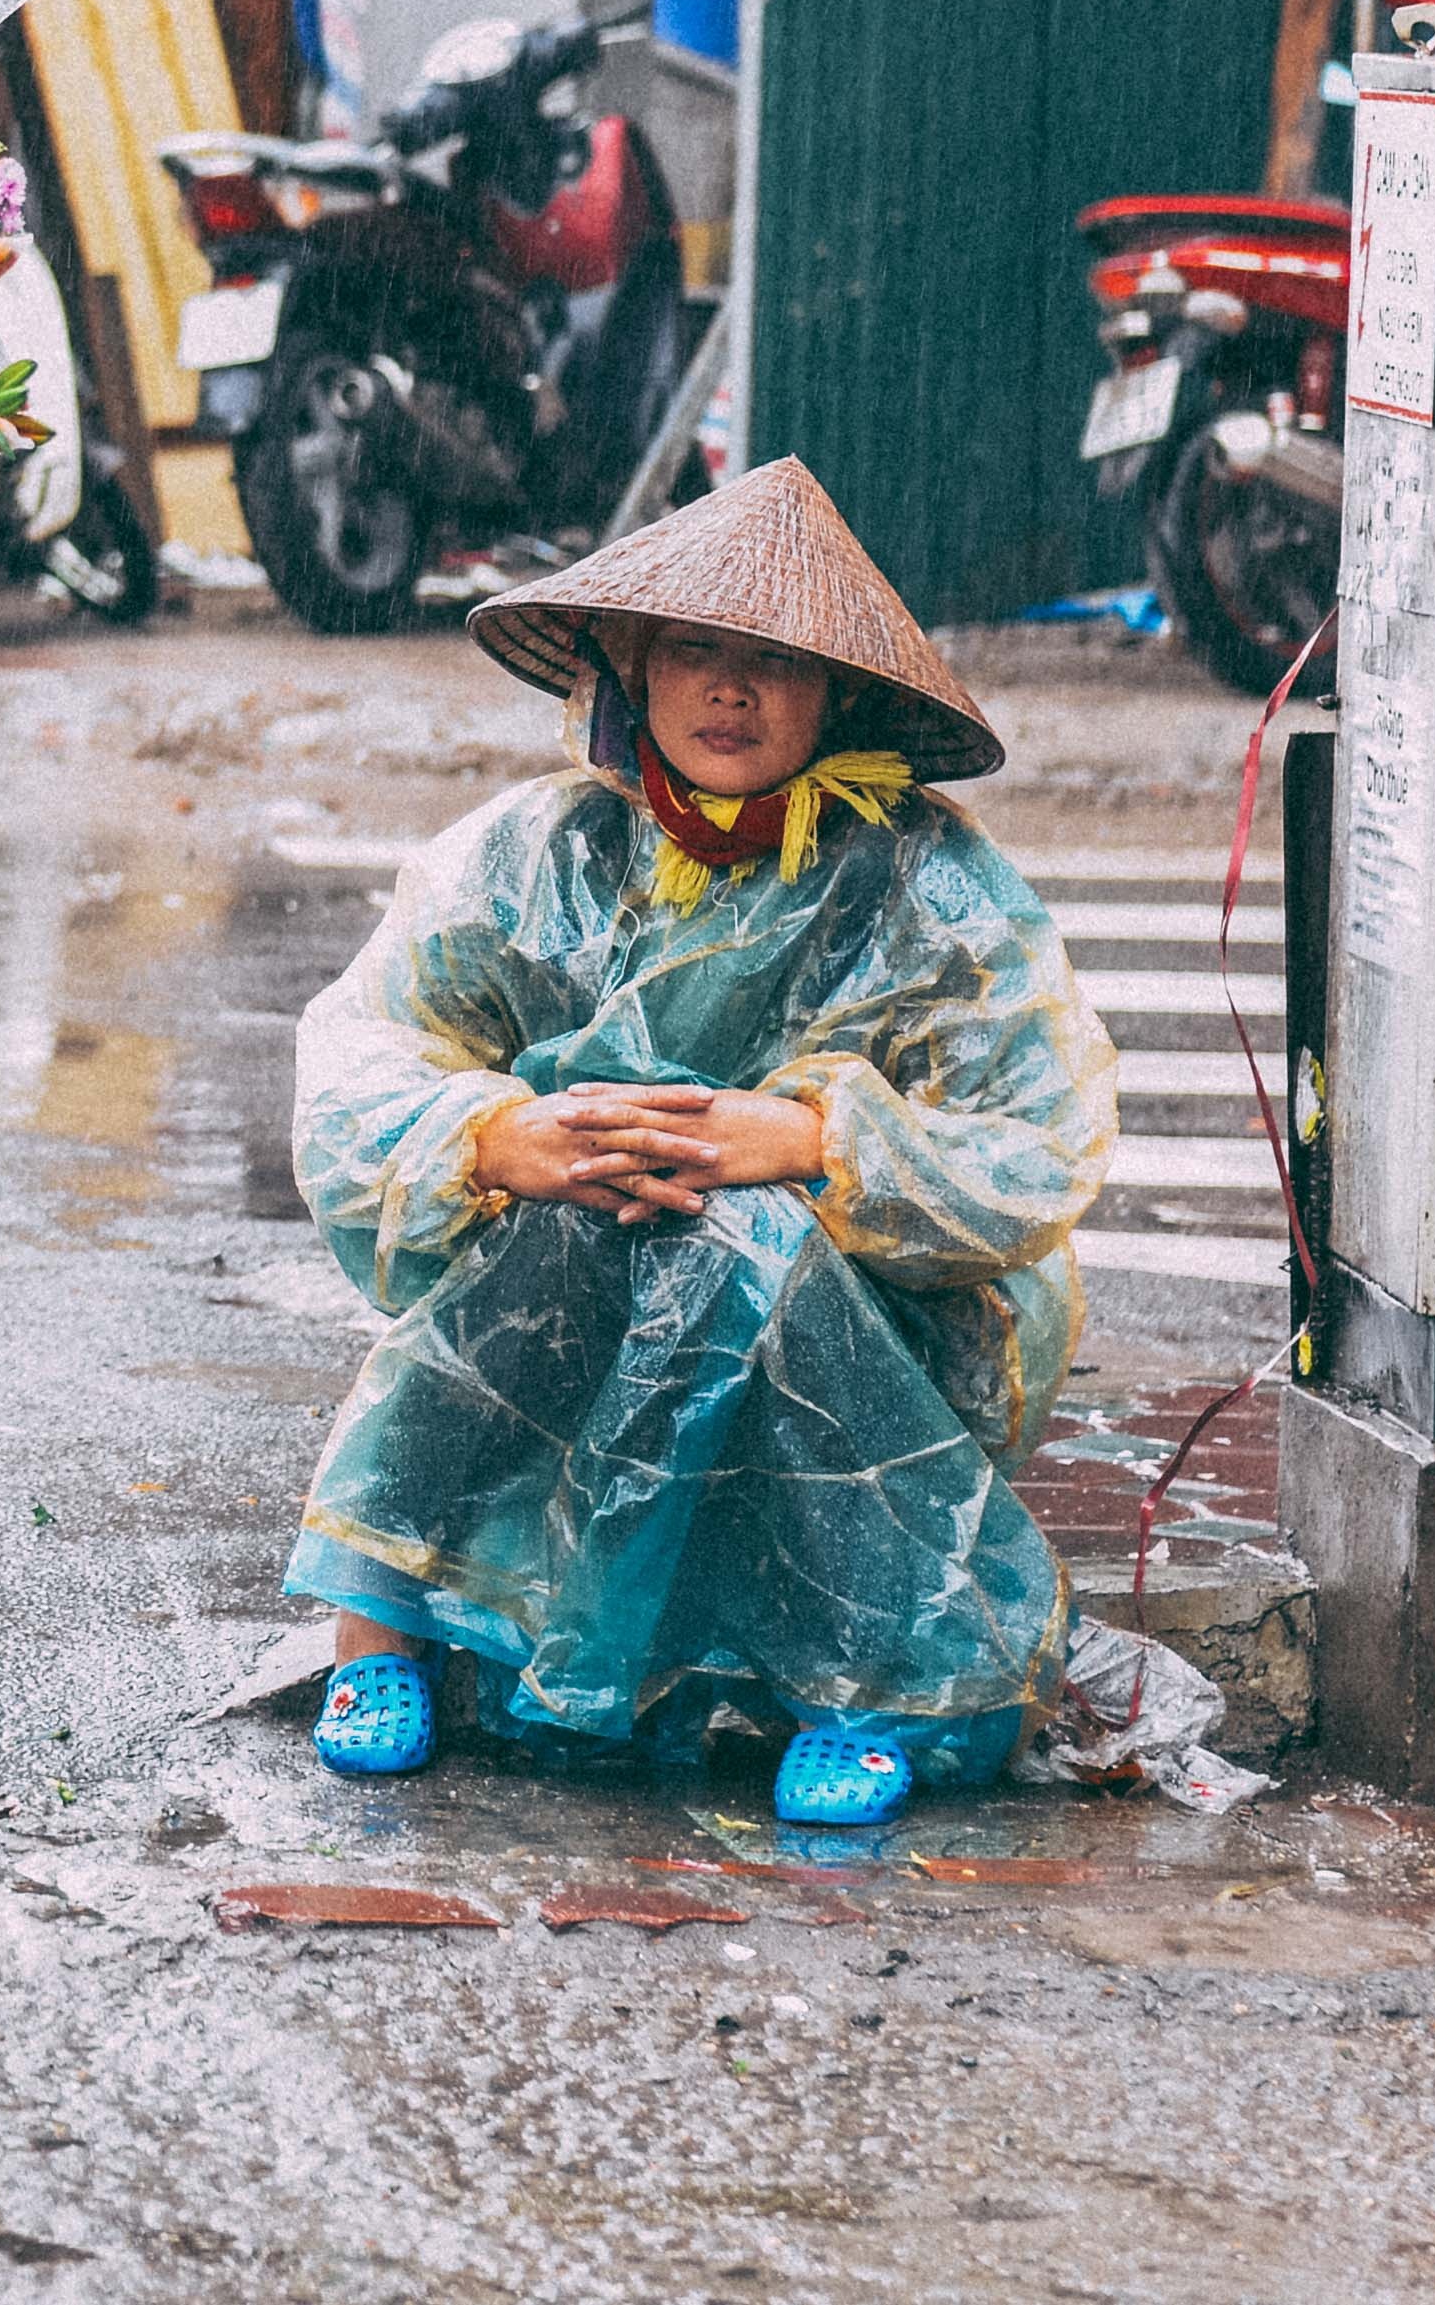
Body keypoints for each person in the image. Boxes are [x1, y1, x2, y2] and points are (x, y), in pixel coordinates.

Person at [281, 459, 1116, 1827]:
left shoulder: (932, 885)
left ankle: (871, 1690)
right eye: (692, 652)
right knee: (581, 1207)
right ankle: (381, 1631)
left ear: (836, 692)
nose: (730, 692)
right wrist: (494, 1138)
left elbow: (1034, 1145)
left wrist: (810, 1141)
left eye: (774, 662)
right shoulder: (530, 853)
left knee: (748, 1238)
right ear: (632, 667)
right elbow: (362, 1059)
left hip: (873, 1324)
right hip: (581, 1287)